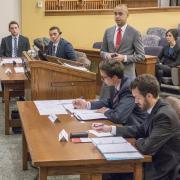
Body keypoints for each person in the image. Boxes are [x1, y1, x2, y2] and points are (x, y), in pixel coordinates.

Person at [92, 74, 180, 180]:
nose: (135, 101)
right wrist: (111, 129)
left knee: (110, 172)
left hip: (160, 168)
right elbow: (141, 129)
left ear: (149, 96)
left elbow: (146, 147)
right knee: (107, 169)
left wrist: (138, 141)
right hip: (150, 159)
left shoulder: (164, 115)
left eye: (137, 98)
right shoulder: (155, 108)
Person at [73, 60, 146, 126]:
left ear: (114, 77)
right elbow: (110, 102)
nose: (102, 80)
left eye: (103, 77)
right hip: (121, 124)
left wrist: (106, 111)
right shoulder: (115, 83)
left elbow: (119, 117)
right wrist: (87, 104)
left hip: (135, 126)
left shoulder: (128, 88)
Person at [100, 4, 145, 79]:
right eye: (115, 14)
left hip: (127, 75)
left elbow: (141, 56)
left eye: (120, 14)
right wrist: (108, 55)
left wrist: (124, 58)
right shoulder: (108, 31)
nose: (117, 16)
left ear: (127, 15)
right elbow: (102, 52)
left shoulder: (135, 33)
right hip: (110, 75)